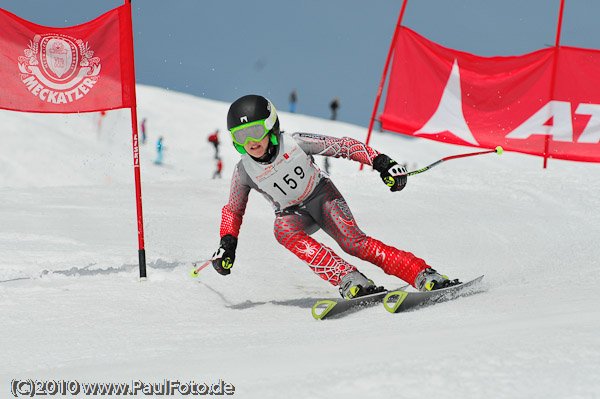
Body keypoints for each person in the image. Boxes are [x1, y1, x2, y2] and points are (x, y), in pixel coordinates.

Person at [211, 95, 460, 299]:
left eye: (255, 131)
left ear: (271, 126)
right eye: (241, 136)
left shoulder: (296, 143)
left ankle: (423, 274)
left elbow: (343, 146)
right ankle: (349, 279)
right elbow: (233, 210)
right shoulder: (244, 171)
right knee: (282, 230)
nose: (251, 142)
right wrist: (227, 244)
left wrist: (381, 162)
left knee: (354, 243)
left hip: (322, 197)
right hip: (293, 214)